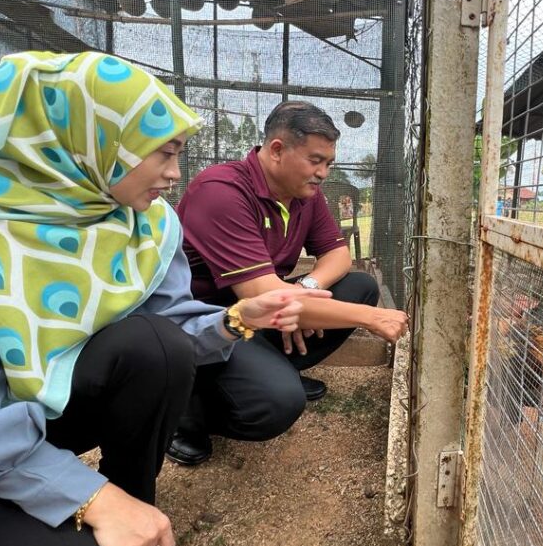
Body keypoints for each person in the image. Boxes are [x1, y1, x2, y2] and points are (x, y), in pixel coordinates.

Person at [0, 51, 328, 546]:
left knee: (156, 343)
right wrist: (85, 495)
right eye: (164, 152)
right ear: (89, 139)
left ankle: (133, 497)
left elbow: (170, 325)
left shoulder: (143, 223)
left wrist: (235, 319)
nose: (175, 173)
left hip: (42, 409)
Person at [167, 101, 409, 466]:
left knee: (359, 286)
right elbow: (259, 296)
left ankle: (277, 367)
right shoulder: (221, 190)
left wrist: (304, 291)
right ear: (277, 150)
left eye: (328, 163)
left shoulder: (303, 195)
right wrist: (370, 318)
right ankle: (186, 416)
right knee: (278, 403)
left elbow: (338, 256)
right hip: (204, 322)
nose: (323, 173)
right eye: (316, 161)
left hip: (260, 308)